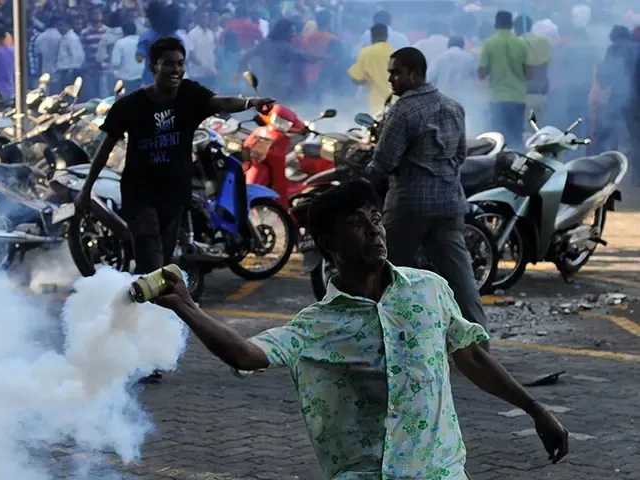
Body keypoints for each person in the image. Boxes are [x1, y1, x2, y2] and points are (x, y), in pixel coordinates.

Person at [152, 179, 569, 479]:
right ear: (328, 244)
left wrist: (535, 408)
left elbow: (472, 356)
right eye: (355, 223)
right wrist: (187, 307)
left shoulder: (428, 289)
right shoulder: (318, 325)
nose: (374, 231)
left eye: (375, 218)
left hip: (440, 470)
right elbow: (247, 355)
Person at [74, 38, 273, 383]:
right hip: (140, 196)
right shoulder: (130, 106)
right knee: (152, 266)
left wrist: (250, 102)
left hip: (174, 197)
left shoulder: (191, 95)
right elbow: (105, 149)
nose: (176, 70)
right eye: (169, 63)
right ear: (153, 67)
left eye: (180, 63)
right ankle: (137, 355)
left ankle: (139, 349)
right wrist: (86, 189)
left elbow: (219, 102)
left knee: (162, 273)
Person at [366, 47, 491, 350]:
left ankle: (372, 344)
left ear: (414, 74)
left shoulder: (403, 110)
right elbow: (460, 155)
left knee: (384, 274)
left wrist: (366, 178)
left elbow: (383, 162)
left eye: (396, 72)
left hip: (410, 206)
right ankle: (480, 348)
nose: (391, 79)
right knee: (461, 280)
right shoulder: (453, 106)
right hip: (449, 203)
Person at [478, 11, 530, 149]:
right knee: (516, 137)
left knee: (498, 139)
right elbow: (529, 73)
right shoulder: (521, 43)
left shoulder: (489, 43)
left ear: (496, 24)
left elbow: (482, 73)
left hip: (498, 99)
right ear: (511, 24)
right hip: (518, 98)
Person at [348, 23, 393, 114]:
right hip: (394, 102)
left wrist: (368, 79)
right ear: (386, 36)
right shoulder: (395, 52)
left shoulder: (366, 52)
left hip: (376, 103)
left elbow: (356, 79)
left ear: (372, 37)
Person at [427, 36, 477, 107]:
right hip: (463, 96)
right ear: (462, 45)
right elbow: (475, 74)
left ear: (449, 44)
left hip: (444, 94)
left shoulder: (441, 57)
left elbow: (429, 75)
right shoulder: (469, 57)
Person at [111, 22, 143, 93]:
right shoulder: (142, 40)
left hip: (125, 79)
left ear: (124, 31)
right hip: (141, 79)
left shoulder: (120, 43)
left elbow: (115, 63)